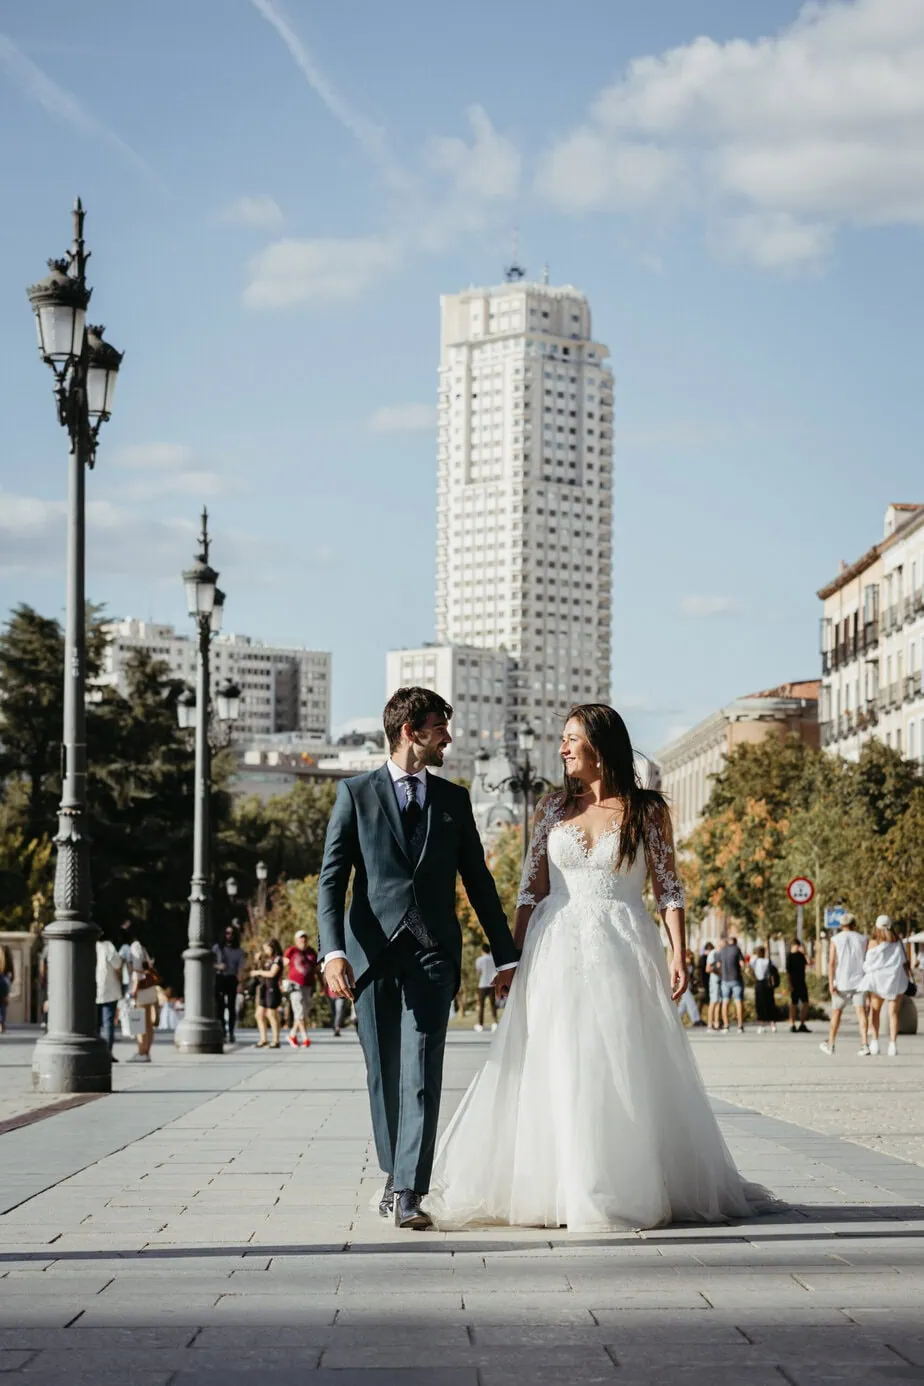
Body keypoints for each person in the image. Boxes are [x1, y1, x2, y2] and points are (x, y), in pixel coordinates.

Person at [424, 704, 773, 1231]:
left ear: (601, 745)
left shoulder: (645, 811)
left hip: (623, 944)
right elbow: (530, 889)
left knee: (620, 1057)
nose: (562, 748)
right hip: (554, 945)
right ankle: (559, 1182)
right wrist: (511, 957)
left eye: (571, 739)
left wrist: (679, 952)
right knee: (558, 1056)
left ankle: (619, 1181)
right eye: (561, 739)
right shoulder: (550, 808)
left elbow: (668, 888)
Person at [318, 686, 518, 1231]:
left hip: (433, 955)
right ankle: (393, 1170)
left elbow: (478, 882)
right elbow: (332, 880)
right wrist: (332, 951)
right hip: (371, 957)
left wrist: (506, 957)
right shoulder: (354, 794)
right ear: (411, 731)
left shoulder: (453, 801)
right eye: (439, 728)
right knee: (383, 1073)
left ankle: (411, 1189)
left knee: (423, 1070)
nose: (447, 738)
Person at [820, 914, 869, 1056]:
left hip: (841, 982)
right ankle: (864, 1044)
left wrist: (830, 983)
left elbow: (831, 963)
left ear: (841, 926)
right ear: (854, 924)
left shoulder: (835, 939)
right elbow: (866, 960)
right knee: (861, 1013)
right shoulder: (863, 939)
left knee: (836, 1013)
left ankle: (831, 1044)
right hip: (859, 981)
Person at [862, 915, 911, 1057]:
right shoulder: (898, 942)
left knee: (875, 1012)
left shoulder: (873, 943)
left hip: (877, 981)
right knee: (893, 1014)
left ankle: (875, 1042)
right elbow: (904, 962)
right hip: (895, 981)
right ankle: (893, 1045)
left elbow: (868, 964)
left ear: (876, 927)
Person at [124, 924, 158, 1063]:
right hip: (150, 988)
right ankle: (147, 1051)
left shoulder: (135, 946)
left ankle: (141, 1051)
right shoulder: (145, 947)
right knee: (148, 1022)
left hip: (141, 989)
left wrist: (134, 990)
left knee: (139, 1021)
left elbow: (137, 970)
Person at [283, 930, 318, 1049]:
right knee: (299, 1011)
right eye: (300, 938)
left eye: (304, 938)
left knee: (305, 1011)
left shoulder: (312, 952)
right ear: (296, 940)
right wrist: (281, 981)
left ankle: (292, 1035)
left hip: (308, 985)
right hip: (295, 985)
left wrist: (323, 984)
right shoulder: (291, 951)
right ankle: (305, 1038)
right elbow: (283, 965)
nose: (303, 940)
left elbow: (317, 969)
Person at [213, 924, 245, 1045]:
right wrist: (217, 966)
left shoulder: (239, 951)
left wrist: (240, 983)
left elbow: (241, 968)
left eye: (231, 933)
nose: (229, 936)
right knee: (219, 1006)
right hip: (220, 977)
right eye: (227, 933)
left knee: (231, 1006)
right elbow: (208, 963)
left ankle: (231, 1031)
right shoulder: (217, 948)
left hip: (231, 978)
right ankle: (223, 1031)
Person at [95, 932, 123, 1060]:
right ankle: (107, 1053)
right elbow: (117, 964)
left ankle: (94, 1052)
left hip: (92, 991)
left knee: (94, 1025)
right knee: (108, 1024)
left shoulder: (87, 946)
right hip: (109, 991)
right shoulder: (108, 946)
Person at [253, 939, 284, 1048]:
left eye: (267, 948)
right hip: (264, 989)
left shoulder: (278, 959)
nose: (265, 951)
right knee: (259, 1014)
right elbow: (261, 971)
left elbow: (272, 973)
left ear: (273, 948)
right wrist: (258, 961)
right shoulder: (268, 960)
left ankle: (276, 1040)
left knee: (271, 1015)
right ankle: (263, 1039)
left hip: (273, 989)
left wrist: (259, 972)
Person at [717, 934, 746, 1034]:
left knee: (725, 1002)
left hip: (725, 979)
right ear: (736, 942)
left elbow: (718, 965)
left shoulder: (722, 950)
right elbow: (742, 963)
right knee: (738, 1002)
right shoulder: (737, 949)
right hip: (736, 979)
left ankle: (726, 1025)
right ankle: (740, 1026)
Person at [749, 946, 778, 1034]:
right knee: (770, 1003)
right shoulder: (768, 961)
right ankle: (772, 1024)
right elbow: (775, 967)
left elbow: (750, 963)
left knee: (760, 1004)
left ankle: (762, 1025)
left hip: (760, 983)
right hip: (767, 984)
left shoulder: (756, 961)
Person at [786, 938, 811, 1033]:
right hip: (794, 983)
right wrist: (789, 984)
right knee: (793, 1004)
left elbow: (809, 962)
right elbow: (788, 972)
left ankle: (802, 1023)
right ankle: (792, 1024)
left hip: (802, 982)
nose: (798, 947)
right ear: (793, 946)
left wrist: (805, 953)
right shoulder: (790, 956)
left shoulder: (801, 955)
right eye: (796, 946)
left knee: (805, 1003)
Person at [676, 948, 704, 1026]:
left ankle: (675, 1018)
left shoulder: (691, 965)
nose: (690, 958)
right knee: (691, 1002)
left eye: (691, 956)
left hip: (689, 985)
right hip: (682, 985)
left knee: (683, 1005)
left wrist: (694, 981)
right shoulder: (682, 964)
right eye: (689, 956)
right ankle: (696, 1020)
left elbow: (691, 976)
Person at [474, 944, 498, 1032]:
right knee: (493, 1004)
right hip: (492, 983)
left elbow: (478, 971)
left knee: (481, 1005)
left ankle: (480, 1024)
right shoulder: (493, 959)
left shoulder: (479, 960)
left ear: (482, 950)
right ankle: (495, 1023)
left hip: (482, 984)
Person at [703, 941, 722, 1030]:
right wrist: (719, 971)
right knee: (713, 1002)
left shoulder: (719, 953)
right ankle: (710, 1024)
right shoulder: (713, 954)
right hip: (714, 981)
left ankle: (716, 1023)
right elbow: (708, 969)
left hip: (720, 980)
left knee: (719, 1001)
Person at [0, 945, 13, 1035]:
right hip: (4, 980)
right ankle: (1, 1023)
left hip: (2, 979)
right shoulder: (5, 951)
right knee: (2, 1003)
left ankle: (1, 1023)